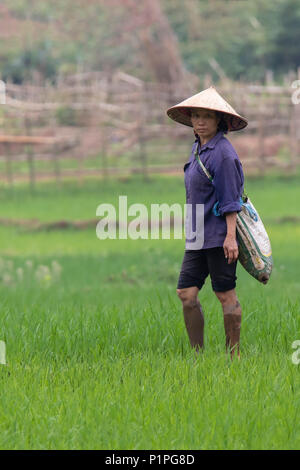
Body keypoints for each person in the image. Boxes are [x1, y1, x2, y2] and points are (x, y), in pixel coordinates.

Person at [166, 86, 248, 360]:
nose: (200, 122)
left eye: (207, 117)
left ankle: (233, 357)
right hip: (197, 236)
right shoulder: (198, 149)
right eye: (196, 116)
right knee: (186, 293)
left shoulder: (223, 153)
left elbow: (230, 199)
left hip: (218, 235)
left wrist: (230, 236)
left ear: (219, 121)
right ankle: (197, 356)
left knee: (225, 295)